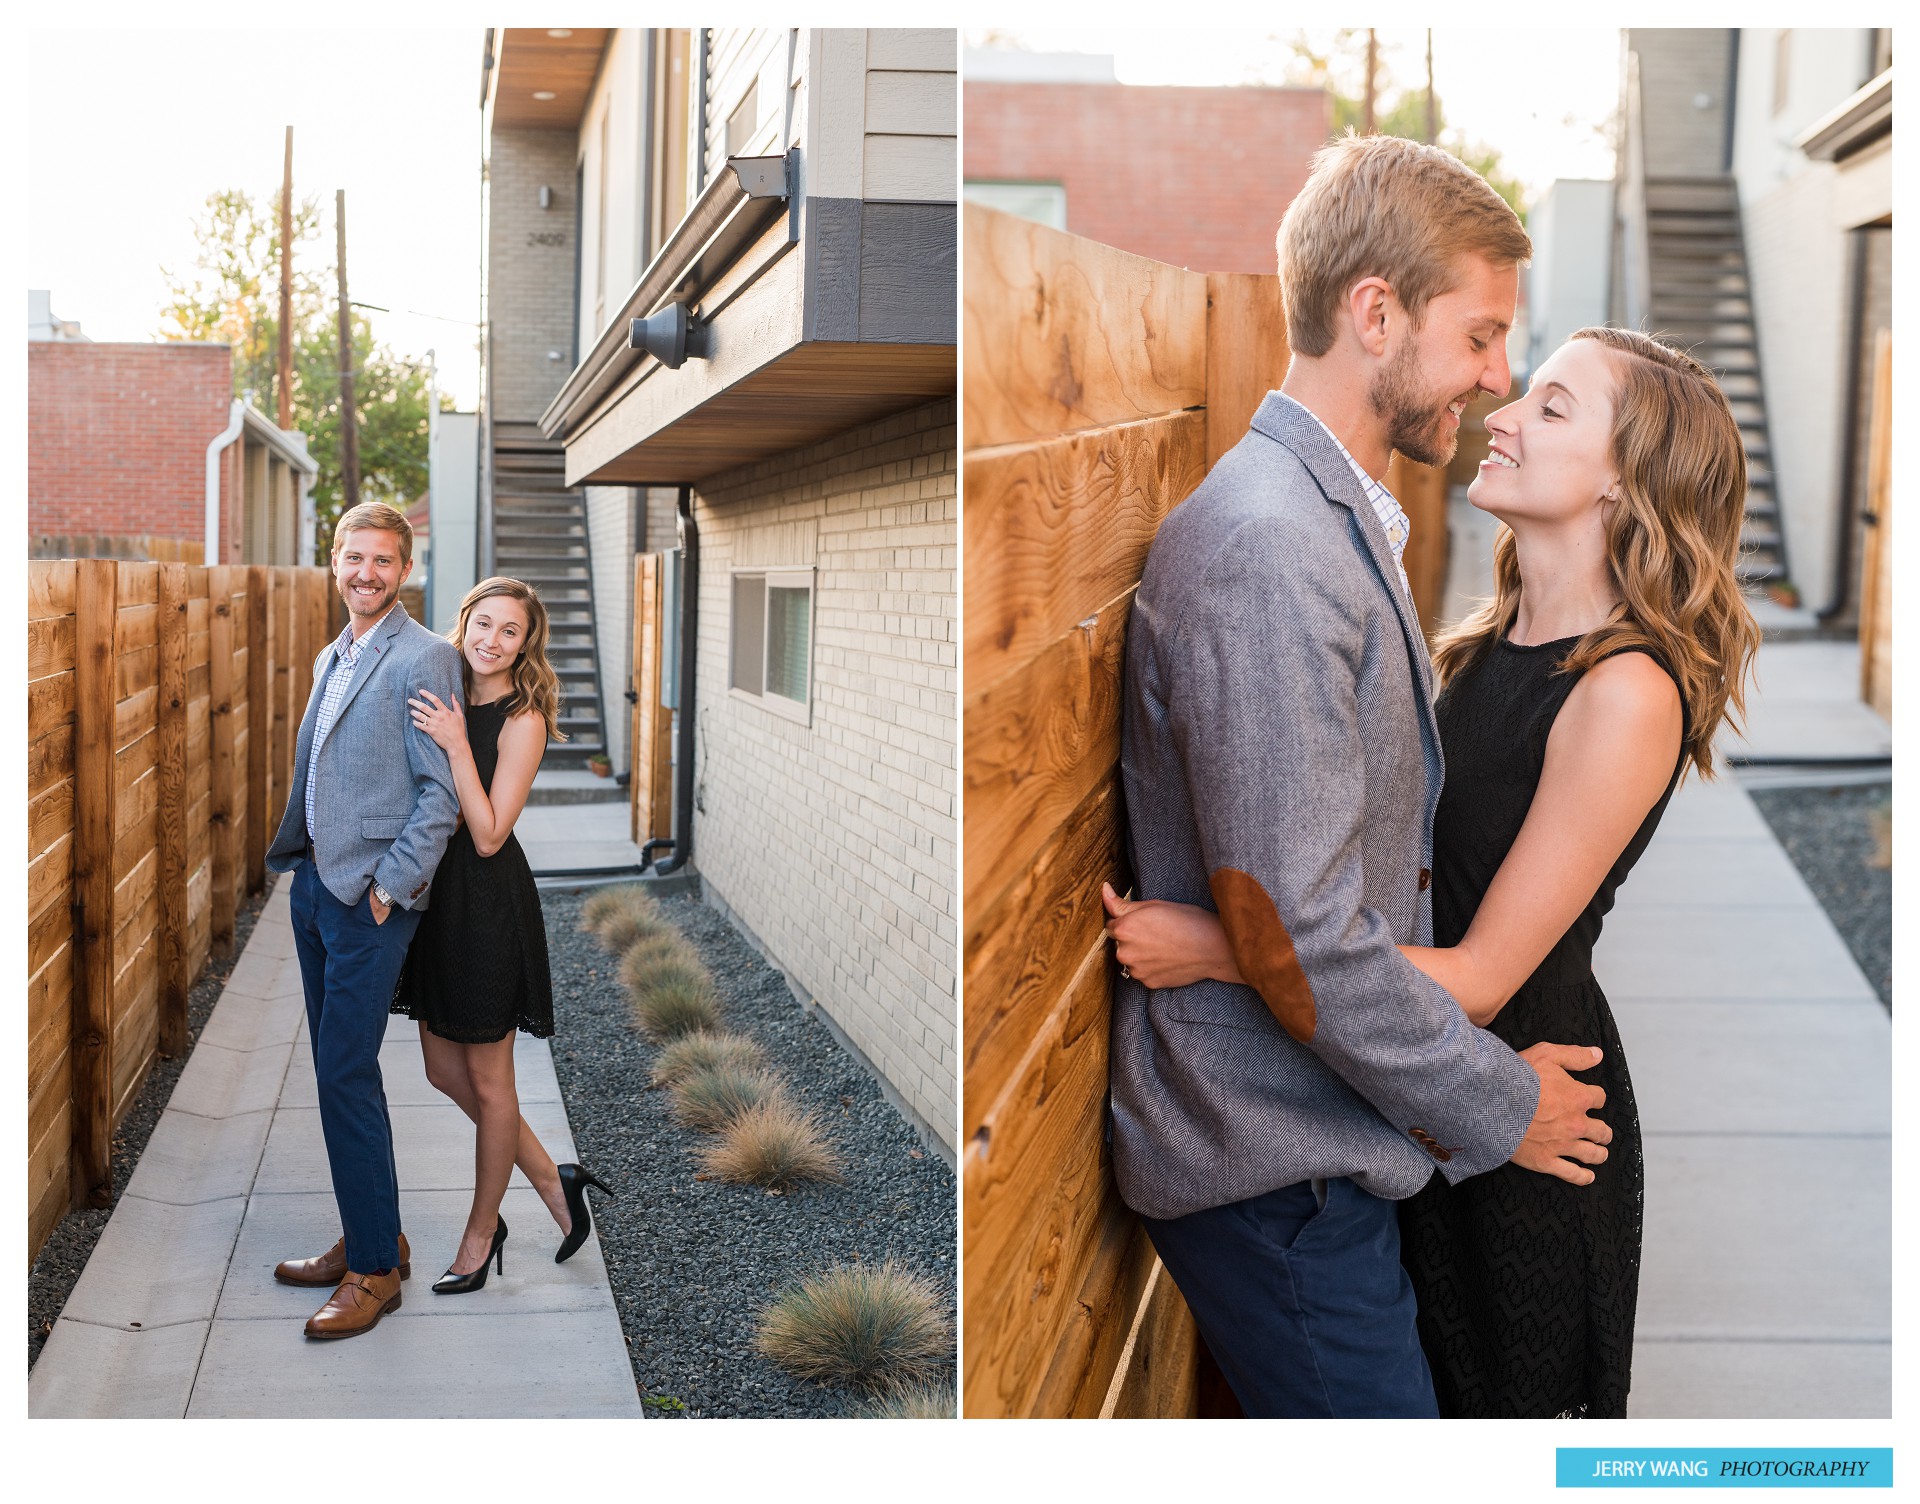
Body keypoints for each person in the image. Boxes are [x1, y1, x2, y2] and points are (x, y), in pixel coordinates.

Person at [1108, 326, 1759, 1416]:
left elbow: (1488, 971)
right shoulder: (1478, 642)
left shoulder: (1626, 691)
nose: (1501, 411)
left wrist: (1222, 947)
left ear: (1627, 483)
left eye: (1552, 408)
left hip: (1526, 1123)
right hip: (1413, 1098)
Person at [1100, 134, 1618, 1418]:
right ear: (1373, 311)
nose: (1498, 381)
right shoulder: (1273, 548)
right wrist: (1502, 1105)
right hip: (1278, 1169)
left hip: (1326, 1146)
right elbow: (1306, 943)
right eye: (1483, 336)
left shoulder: (1334, 519)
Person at [266, 501, 463, 1340]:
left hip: (369, 904)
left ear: (405, 570)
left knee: (344, 1074)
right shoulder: (334, 653)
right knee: (339, 1073)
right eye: (355, 558)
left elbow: (441, 791)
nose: (367, 573)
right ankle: (374, 1232)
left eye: (384, 561)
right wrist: (309, 874)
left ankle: (375, 1270)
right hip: (316, 888)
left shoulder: (425, 657)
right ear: (334, 560)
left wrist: (389, 889)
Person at [395, 576, 614, 1292]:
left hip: (487, 903)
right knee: (440, 1069)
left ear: (527, 643)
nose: (492, 640)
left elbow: (490, 834)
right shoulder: (442, 682)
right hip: (436, 900)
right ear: (464, 623)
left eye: (509, 630)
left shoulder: (522, 719)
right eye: (482, 623)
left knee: (492, 1086)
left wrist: (459, 745)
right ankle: (557, 1180)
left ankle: (482, 1233)